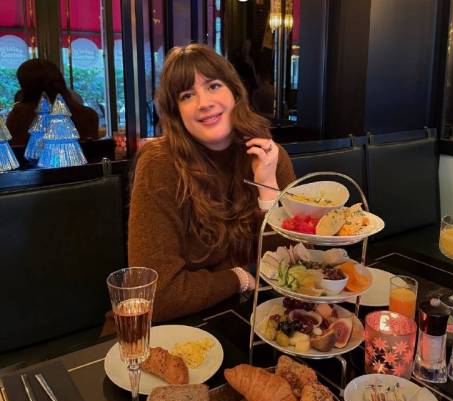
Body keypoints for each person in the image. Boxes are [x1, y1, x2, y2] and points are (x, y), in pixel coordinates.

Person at [128, 43, 296, 322]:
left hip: (263, 317)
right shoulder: (159, 164)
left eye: (213, 86)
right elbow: (155, 293)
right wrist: (238, 277)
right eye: (187, 95)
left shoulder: (269, 156)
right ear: (176, 112)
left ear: (235, 92)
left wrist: (267, 189)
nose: (204, 103)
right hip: (181, 326)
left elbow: (293, 266)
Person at [6, 59, 99, 146]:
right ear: (60, 80)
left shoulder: (18, 117)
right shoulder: (88, 115)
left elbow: (13, 152)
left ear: (25, 87)